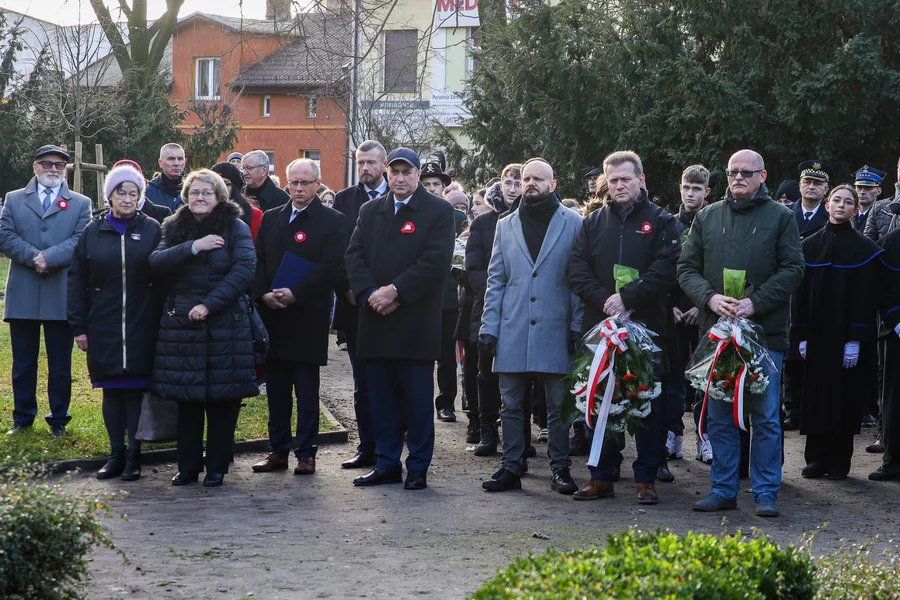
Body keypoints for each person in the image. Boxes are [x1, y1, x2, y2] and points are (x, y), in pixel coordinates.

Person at [679, 149, 804, 517]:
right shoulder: (707, 216)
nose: (737, 178)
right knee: (720, 416)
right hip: (718, 335)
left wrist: (756, 303)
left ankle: (765, 492)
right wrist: (709, 297)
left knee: (765, 417)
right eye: (732, 171)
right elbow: (686, 268)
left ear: (762, 176)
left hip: (765, 335)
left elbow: (793, 269)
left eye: (746, 172)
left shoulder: (781, 217)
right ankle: (722, 488)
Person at [568, 150, 680, 505]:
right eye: (613, 180)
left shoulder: (661, 220)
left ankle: (646, 478)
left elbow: (666, 269)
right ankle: (601, 475)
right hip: (600, 327)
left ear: (640, 180)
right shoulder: (592, 222)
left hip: (646, 327)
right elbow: (577, 270)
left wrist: (628, 297)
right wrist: (607, 301)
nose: (619, 186)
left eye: (626, 179)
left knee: (647, 402)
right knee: (601, 400)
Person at [345, 147, 455, 490]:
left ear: (418, 175)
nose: (400, 178)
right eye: (395, 172)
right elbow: (354, 256)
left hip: (414, 325)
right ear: (386, 173)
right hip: (376, 321)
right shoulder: (370, 210)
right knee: (381, 400)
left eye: (407, 172)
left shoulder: (439, 210)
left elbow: (435, 263)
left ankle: (418, 466)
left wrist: (394, 291)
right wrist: (370, 294)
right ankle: (387, 463)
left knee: (417, 402)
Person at [149, 169, 259, 487]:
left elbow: (244, 270)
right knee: (188, 402)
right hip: (182, 328)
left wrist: (209, 304)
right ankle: (188, 467)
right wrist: (194, 247)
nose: (200, 197)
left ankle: (217, 468)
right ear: (186, 196)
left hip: (226, 326)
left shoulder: (235, 227)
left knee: (222, 402)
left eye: (206, 192)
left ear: (220, 197)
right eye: (194, 192)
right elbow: (157, 261)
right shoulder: (173, 226)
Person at [480, 158, 583, 494]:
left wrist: (577, 325)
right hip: (513, 327)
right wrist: (488, 327)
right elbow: (496, 280)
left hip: (557, 326)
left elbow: (579, 279)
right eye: (526, 178)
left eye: (539, 179)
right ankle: (511, 467)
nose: (531, 184)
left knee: (559, 405)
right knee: (510, 403)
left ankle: (560, 468)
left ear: (553, 185)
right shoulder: (505, 225)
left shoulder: (574, 223)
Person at [250, 159, 348, 475]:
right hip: (274, 316)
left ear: (318, 183)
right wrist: (262, 293)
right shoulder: (272, 217)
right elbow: (258, 260)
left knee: (306, 392)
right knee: (277, 390)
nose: (299, 188)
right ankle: (278, 451)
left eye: (305, 182)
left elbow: (332, 267)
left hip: (307, 316)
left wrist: (297, 293)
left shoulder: (333, 220)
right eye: (294, 182)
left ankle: (306, 453)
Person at [68, 164, 162, 480]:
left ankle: (134, 456)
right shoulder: (92, 232)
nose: (127, 198)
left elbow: (164, 274)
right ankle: (116, 454)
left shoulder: (152, 229)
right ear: (110, 196)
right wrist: (79, 327)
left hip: (141, 323)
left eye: (134, 193)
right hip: (103, 324)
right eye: (121, 192)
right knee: (111, 390)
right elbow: (76, 280)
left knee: (134, 392)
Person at [790, 185, 881, 480]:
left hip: (846, 337)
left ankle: (840, 461)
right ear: (827, 206)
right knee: (816, 395)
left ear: (855, 210)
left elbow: (866, 297)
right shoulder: (808, 246)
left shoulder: (864, 249)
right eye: (836, 200)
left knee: (845, 397)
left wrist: (855, 339)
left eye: (848, 202)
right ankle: (816, 458)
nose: (841, 205)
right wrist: (801, 335)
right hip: (817, 335)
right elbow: (800, 295)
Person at [0, 145, 91, 437]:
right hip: (23, 292)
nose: (53, 169)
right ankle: (23, 418)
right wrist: (33, 257)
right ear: (35, 167)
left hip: (60, 292)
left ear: (65, 170)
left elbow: (81, 239)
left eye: (59, 165)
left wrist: (49, 258)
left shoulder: (81, 203)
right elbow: (4, 235)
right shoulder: (14, 199)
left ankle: (59, 419)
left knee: (60, 364)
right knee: (23, 362)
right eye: (47, 163)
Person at [333, 140, 389, 469]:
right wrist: (348, 289)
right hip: (355, 306)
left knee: (391, 380)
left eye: (370, 162)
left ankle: (390, 446)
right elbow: (339, 250)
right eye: (360, 163)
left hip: (394, 305)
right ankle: (367, 445)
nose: (365, 168)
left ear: (384, 165)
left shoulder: (399, 196)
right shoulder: (344, 200)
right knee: (363, 382)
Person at [467, 167, 521, 458]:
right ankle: (487, 431)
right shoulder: (483, 223)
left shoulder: (529, 219)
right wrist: (495, 292)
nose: (512, 188)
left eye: (518, 182)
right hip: (488, 305)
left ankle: (520, 436)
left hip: (523, 307)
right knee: (486, 372)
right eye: (507, 182)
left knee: (522, 375)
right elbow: (473, 267)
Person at [783, 159, 834, 431]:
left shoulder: (831, 217)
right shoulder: (784, 214)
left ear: (826, 189)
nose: (812, 187)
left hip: (819, 289)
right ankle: (793, 409)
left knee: (816, 350)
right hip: (790, 290)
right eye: (807, 182)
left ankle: (814, 408)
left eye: (818, 183)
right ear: (800, 185)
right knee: (791, 351)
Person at [420, 155, 467, 424]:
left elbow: (462, 257)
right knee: (419, 354)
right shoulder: (412, 214)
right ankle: (419, 402)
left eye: (435, 184)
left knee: (447, 356)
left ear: (443, 187)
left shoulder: (457, 217)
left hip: (449, 296)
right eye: (426, 184)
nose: (431, 189)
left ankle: (446, 402)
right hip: (419, 296)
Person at [670, 165, 712, 465]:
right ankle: (672, 434)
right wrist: (667, 304)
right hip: (672, 310)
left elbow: (716, 268)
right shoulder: (668, 225)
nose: (690, 193)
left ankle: (704, 435)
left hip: (704, 311)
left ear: (706, 192)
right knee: (672, 376)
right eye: (686, 187)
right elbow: (661, 267)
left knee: (704, 378)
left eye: (697, 189)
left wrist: (702, 304)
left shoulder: (714, 222)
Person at [873, 225, 900, 481]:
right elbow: (880, 289)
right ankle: (893, 460)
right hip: (896, 333)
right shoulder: (889, 243)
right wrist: (896, 322)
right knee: (894, 397)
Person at [210, 161, 262, 239]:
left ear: (235, 187)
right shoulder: (201, 212)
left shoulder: (254, 215)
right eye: (215, 184)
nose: (221, 189)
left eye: (226, 184)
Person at [110, 159, 172, 224]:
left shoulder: (162, 214)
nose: (127, 200)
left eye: (132, 193)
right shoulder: (103, 220)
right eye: (122, 193)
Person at [145, 143, 185, 212]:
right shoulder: (149, 191)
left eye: (180, 159)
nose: (176, 163)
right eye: (171, 159)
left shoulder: (192, 190)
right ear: (160, 163)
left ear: (184, 162)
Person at [852, 166, 884, 232]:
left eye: (868, 188)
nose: (862, 192)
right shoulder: (848, 213)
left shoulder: (883, 216)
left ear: (879, 191)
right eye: (859, 187)